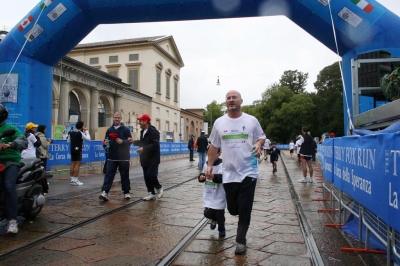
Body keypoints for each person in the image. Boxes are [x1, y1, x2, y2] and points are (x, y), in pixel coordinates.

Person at [207, 90, 265, 255]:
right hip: (229, 173)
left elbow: (261, 137)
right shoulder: (219, 123)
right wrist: (210, 165)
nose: (231, 100)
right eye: (228, 98)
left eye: (234, 98)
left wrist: (259, 144)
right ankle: (239, 216)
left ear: (241, 101)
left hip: (249, 171)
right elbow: (214, 146)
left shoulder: (251, 120)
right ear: (226, 102)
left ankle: (240, 241)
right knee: (233, 209)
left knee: (245, 208)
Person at [0, 104, 28, 233]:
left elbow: (23, 141)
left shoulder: (10, 128)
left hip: (10, 161)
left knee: (8, 185)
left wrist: (10, 144)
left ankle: (12, 220)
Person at [99, 112, 132, 201]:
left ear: (121, 119)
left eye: (118, 117)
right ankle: (105, 192)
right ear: (113, 118)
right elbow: (105, 142)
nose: (116, 119)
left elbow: (130, 142)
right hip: (112, 156)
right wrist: (105, 144)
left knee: (124, 175)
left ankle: (126, 192)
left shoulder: (126, 130)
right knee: (109, 175)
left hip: (123, 157)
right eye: (115, 117)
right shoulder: (109, 130)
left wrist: (123, 142)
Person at [131, 114, 163, 201]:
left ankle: (159, 187)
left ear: (145, 121)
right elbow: (142, 142)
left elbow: (155, 145)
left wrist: (144, 149)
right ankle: (151, 193)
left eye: (140, 121)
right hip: (145, 158)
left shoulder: (154, 132)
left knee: (151, 175)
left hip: (153, 158)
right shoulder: (142, 132)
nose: (139, 123)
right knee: (146, 176)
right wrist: (134, 142)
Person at [198, 148, 226, 237]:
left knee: (220, 215)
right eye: (209, 154)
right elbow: (202, 174)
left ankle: (221, 229)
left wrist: (213, 176)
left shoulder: (222, 164)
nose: (211, 157)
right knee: (207, 213)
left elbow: (222, 177)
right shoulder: (206, 164)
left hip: (219, 193)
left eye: (213, 154)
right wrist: (201, 177)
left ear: (219, 154)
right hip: (209, 193)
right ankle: (213, 219)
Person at [68, 121, 89, 186]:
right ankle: (76, 179)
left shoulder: (71, 132)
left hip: (72, 149)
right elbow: (88, 139)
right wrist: (87, 131)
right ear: (82, 126)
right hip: (78, 149)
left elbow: (68, 141)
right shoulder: (80, 133)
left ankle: (72, 179)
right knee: (77, 164)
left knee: (72, 163)